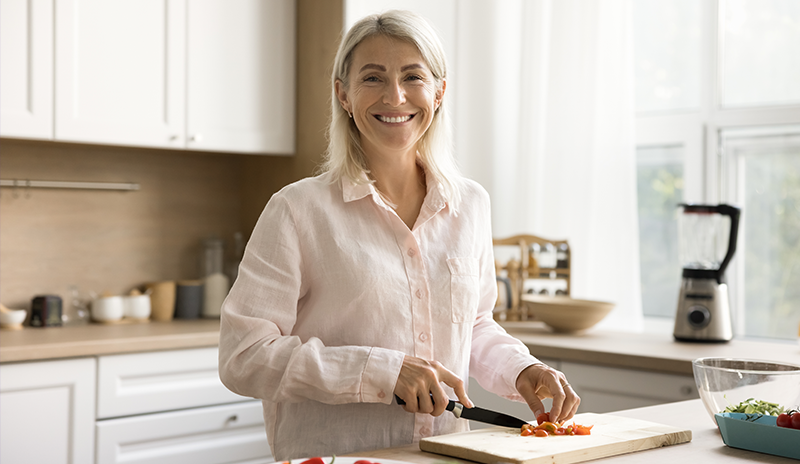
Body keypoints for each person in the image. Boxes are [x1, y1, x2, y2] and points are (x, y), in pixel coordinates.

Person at [218, 9, 580, 459]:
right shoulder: (296, 210)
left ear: (439, 92)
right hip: (335, 456)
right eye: (372, 78)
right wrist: (380, 371)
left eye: (413, 76)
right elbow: (244, 356)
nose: (395, 96)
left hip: (445, 453)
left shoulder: (470, 205)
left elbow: (472, 325)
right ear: (343, 95)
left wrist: (520, 367)